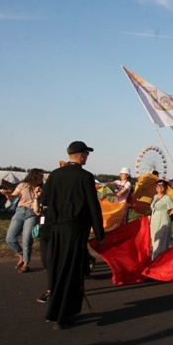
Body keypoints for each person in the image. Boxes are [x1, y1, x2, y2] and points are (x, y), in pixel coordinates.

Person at [38, 141, 104, 329]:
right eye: (86, 154)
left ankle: (55, 310)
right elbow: (93, 206)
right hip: (74, 230)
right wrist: (99, 233)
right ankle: (63, 316)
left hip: (56, 230)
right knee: (71, 274)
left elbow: (45, 201)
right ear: (81, 155)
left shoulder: (55, 175)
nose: (87, 157)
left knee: (58, 270)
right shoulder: (85, 177)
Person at [3, 168, 45, 273]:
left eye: (42, 176)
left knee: (27, 239)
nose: (42, 178)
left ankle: (26, 263)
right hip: (20, 211)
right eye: (39, 176)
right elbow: (13, 197)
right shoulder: (23, 185)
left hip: (32, 213)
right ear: (33, 176)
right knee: (10, 238)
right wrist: (7, 195)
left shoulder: (43, 188)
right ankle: (21, 254)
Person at [149, 179, 173, 260]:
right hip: (154, 220)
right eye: (158, 185)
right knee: (154, 241)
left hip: (163, 220)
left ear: (165, 188)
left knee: (161, 242)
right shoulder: (155, 197)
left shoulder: (167, 198)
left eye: (162, 185)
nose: (159, 187)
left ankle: (159, 261)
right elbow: (152, 208)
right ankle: (155, 261)